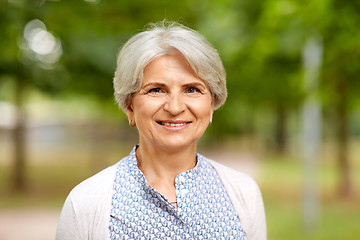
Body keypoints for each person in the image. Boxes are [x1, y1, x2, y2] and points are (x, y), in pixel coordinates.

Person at [56, 21, 266, 240]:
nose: (175, 107)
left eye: (192, 89)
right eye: (156, 90)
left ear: (211, 105)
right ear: (130, 106)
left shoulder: (244, 194)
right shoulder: (85, 203)